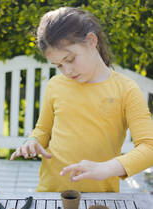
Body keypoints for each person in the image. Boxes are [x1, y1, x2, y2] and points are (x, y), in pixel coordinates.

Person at [10, 7, 153, 192]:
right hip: (51, 192)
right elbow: (43, 130)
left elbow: (149, 148)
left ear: (91, 41)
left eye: (70, 59)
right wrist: (32, 141)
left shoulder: (126, 90)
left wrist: (107, 168)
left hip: (101, 199)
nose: (67, 71)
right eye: (59, 65)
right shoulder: (56, 85)